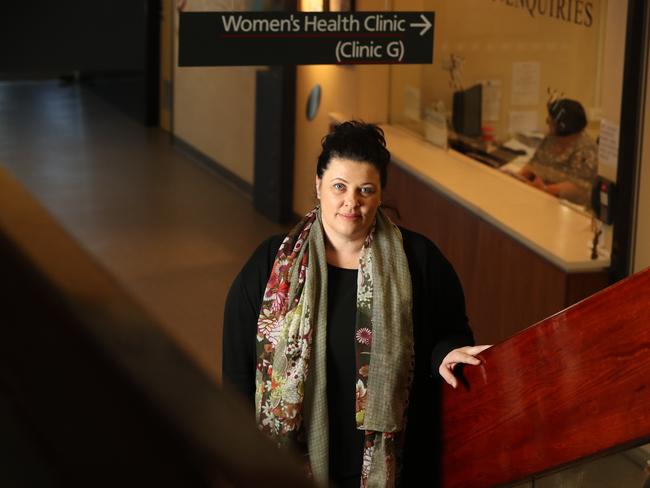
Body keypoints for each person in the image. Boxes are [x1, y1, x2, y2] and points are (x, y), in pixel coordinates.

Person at [222, 121, 489, 487]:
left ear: (380, 194)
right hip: (288, 467)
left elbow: (450, 333)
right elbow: (237, 371)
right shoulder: (270, 265)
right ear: (318, 185)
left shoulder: (419, 261)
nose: (352, 202)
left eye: (366, 190)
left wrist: (444, 352)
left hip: (386, 468)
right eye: (339, 187)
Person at [518, 98, 598, 208]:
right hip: (543, 200)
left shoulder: (586, 149)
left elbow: (579, 187)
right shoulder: (551, 138)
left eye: (550, 121)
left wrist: (546, 190)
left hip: (570, 209)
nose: (547, 122)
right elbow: (534, 164)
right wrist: (517, 177)